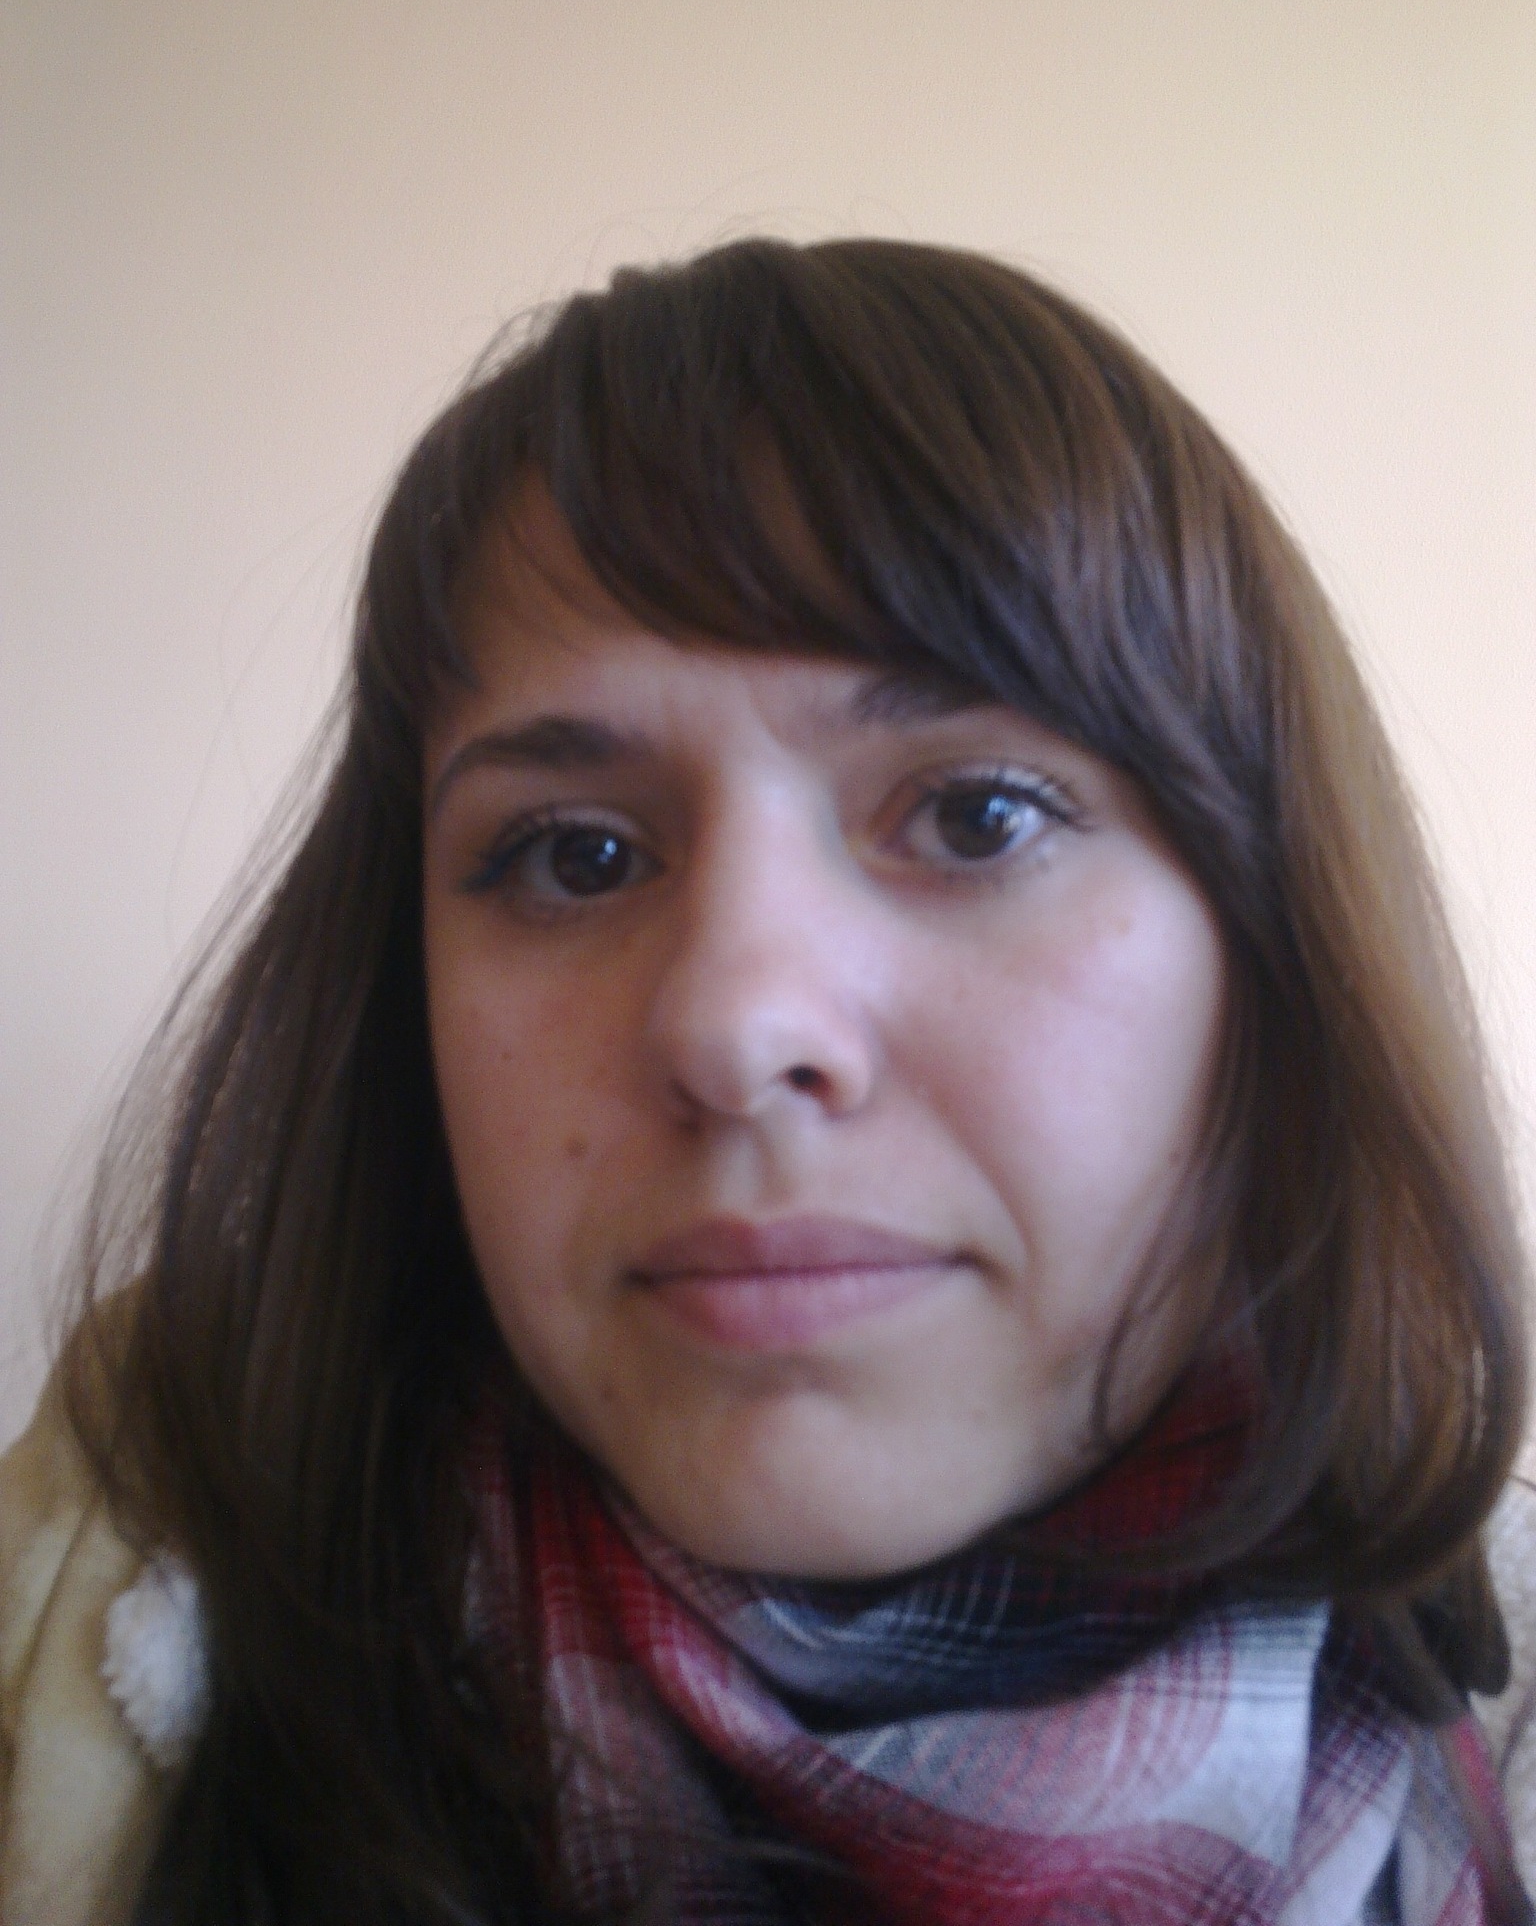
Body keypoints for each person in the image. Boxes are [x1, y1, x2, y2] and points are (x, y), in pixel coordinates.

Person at [1, 237, 1532, 1925]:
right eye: (575, 854)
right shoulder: (87, 1599)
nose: (734, 1030)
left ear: (1273, 952)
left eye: (977, 818)